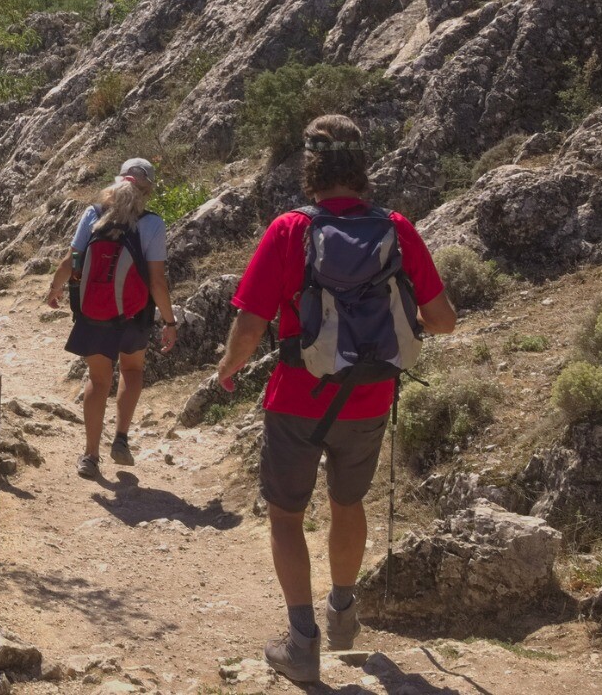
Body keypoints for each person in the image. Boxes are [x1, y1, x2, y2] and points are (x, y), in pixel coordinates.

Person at [214, 115, 457, 685]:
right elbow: (443, 321)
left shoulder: (289, 230)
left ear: (312, 166)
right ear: (361, 166)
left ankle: (303, 643)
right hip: (369, 398)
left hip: (297, 398)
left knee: (285, 515)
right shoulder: (396, 227)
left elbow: (250, 326)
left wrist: (228, 370)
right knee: (348, 504)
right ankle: (343, 615)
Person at [44, 158, 177, 479]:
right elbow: (157, 282)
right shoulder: (152, 223)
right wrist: (170, 323)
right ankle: (120, 439)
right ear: (147, 191)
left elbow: (72, 258)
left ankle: (90, 456)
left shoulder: (93, 214)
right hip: (134, 314)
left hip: (95, 314)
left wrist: (54, 289)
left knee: (97, 380)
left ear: (117, 183)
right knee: (132, 372)